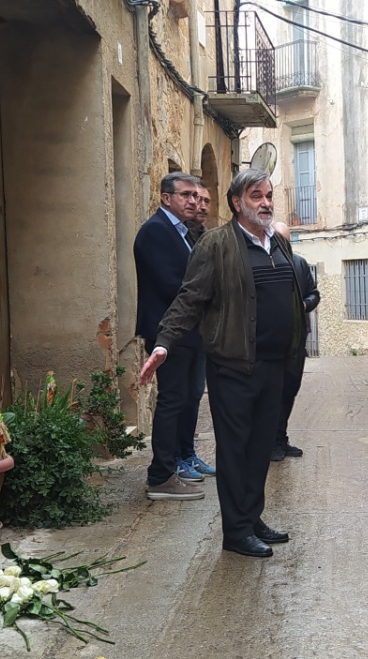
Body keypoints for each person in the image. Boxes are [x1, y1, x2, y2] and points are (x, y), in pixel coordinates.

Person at [140, 169, 303, 558]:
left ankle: (252, 516)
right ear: (236, 202)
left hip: (274, 364)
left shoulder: (276, 242)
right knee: (235, 449)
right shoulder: (216, 244)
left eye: (268, 195)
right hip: (234, 366)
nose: (265, 202)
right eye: (255, 196)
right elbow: (189, 298)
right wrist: (164, 344)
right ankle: (236, 532)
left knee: (261, 446)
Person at [134, 171, 208, 500]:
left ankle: (178, 462)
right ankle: (161, 476)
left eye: (196, 196)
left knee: (187, 399)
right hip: (169, 334)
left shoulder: (184, 233)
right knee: (171, 401)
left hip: (189, 333)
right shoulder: (155, 232)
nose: (194, 201)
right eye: (186, 195)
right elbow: (174, 286)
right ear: (167, 198)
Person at [270, 222, 320, 461]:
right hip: (270, 342)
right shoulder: (264, 263)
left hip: (297, 340)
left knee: (289, 391)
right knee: (272, 393)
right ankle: (270, 442)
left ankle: (281, 438)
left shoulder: (300, 264)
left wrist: (305, 304)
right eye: (278, 239)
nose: (282, 245)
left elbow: (314, 293)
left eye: (286, 241)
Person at [176, 183, 217, 479]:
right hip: (180, 331)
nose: (201, 205)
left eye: (206, 201)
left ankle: (189, 454)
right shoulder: (175, 237)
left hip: (202, 332)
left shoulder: (208, 238)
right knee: (178, 398)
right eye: (195, 199)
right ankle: (177, 457)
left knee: (193, 397)